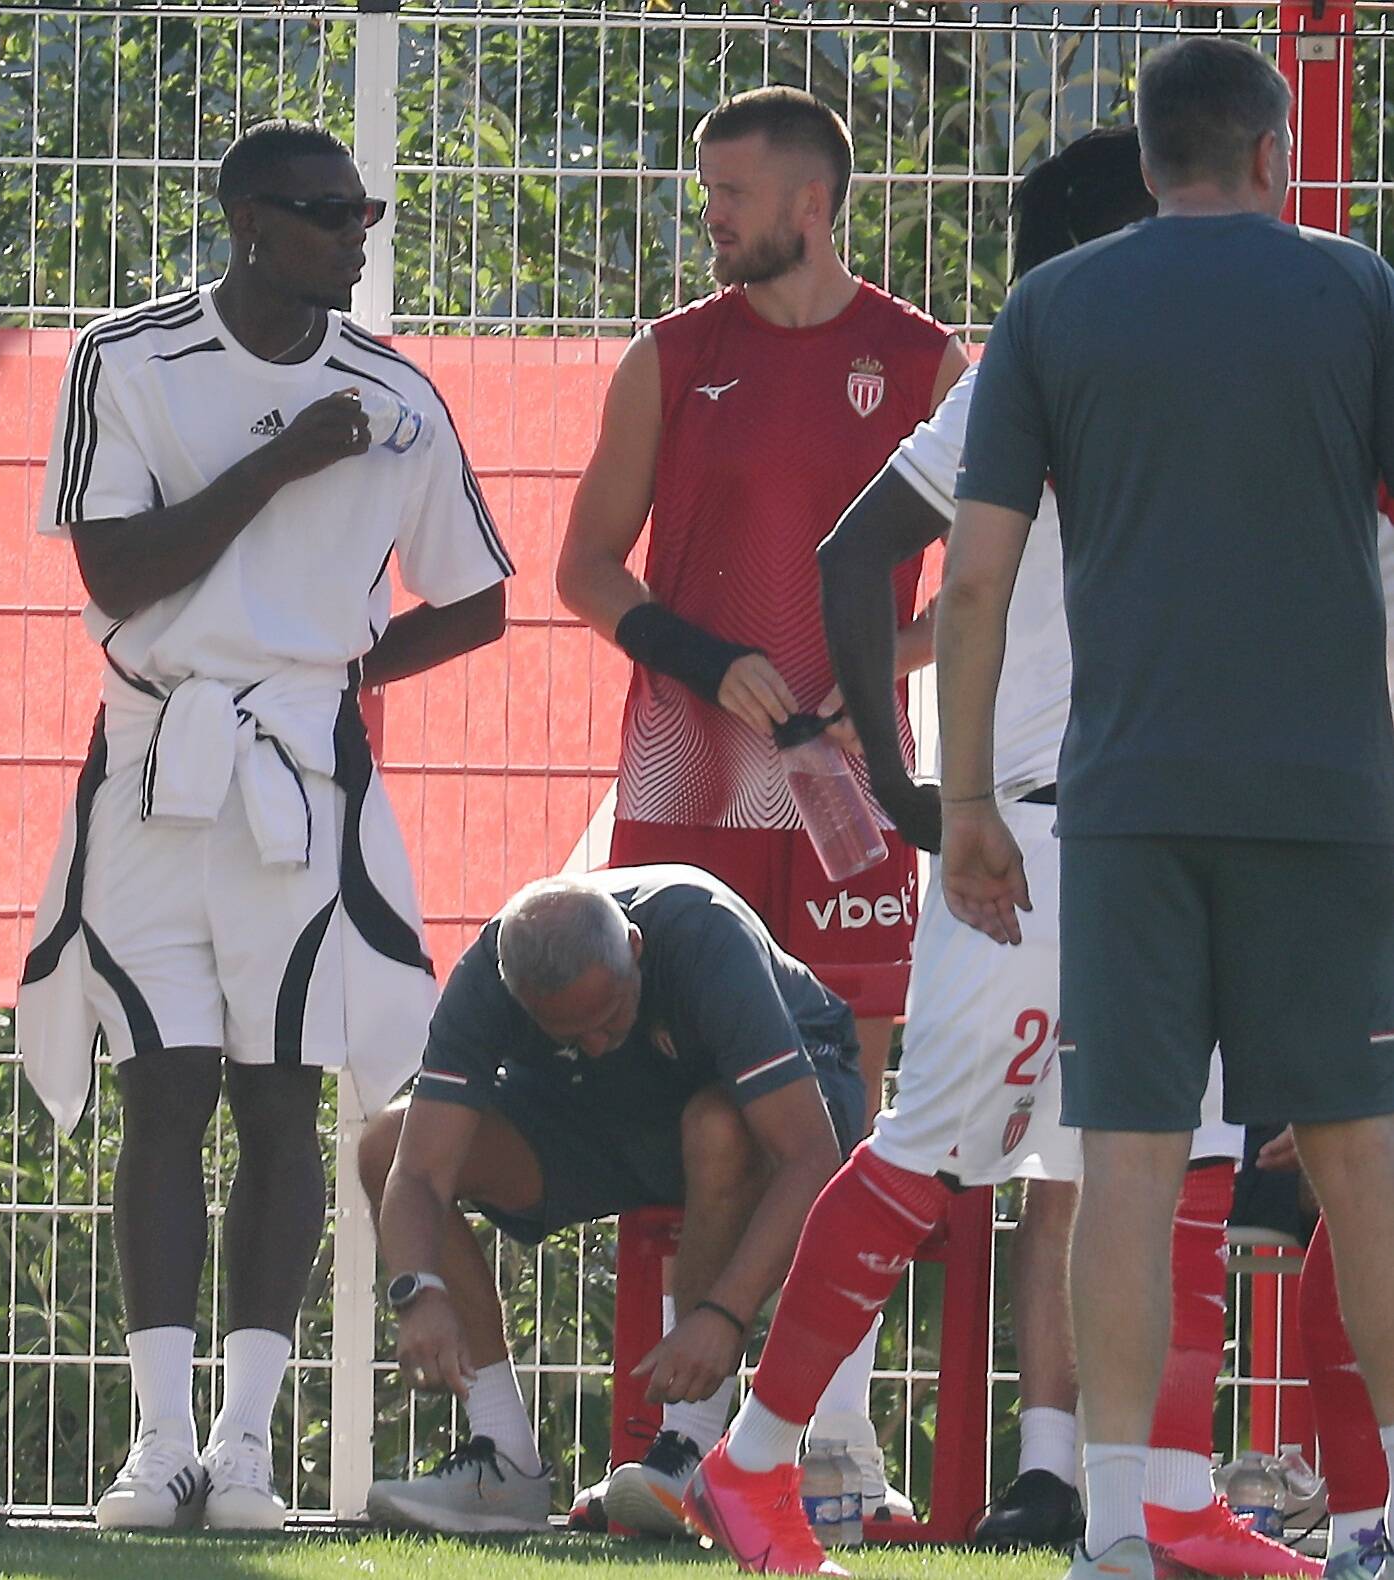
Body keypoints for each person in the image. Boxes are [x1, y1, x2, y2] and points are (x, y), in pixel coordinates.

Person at [701, 124, 1299, 1580]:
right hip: (1034, 830)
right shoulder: (1035, 372)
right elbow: (853, 555)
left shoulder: (1172, 375)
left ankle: (1167, 1498)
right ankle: (753, 1462)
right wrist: (915, 792)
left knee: (1194, 1164)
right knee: (932, 1150)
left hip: (1170, 828)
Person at [937, 38, 1394, 1580]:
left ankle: (1117, 1524)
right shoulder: (1355, 292)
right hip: (1329, 795)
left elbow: (976, 581)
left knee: (1124, 1159)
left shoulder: (1052, 307)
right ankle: (1389, 1517)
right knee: (1356, 1152)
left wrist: (966, 800)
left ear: (1143, 164)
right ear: (1275, 157)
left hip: (1121, 799)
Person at [17, 119, 511, 1532]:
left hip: (298, 766)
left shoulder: (396, 393)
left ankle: (245, 1448)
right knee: (159, 1089)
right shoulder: (126, 359)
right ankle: (153, 1441)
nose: (355, 236)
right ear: (246, 223)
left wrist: (348, 673)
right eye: (325, 214)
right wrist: (284, 462)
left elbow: (476, 596)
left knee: (279, 1091)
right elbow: (117, 570)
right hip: (154, 749)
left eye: (365, 212)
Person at [555, 82, 967, 1518]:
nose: (708, 220)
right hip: (686, 779)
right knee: (704, 1100)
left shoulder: (925, 364)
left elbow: (978, 583)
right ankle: (689, 1443)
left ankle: (831, 1444)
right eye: (705, 194)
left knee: (846, 1099)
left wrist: (876, 673)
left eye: (728, 195)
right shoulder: (671, 356)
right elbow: (586, 569)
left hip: (849, 790)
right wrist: (701, 654)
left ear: (810, 202)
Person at [358, 867, 863, 1533]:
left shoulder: (705, 935)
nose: (596, 1041)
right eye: (568, 1032)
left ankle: (690, 1448)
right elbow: (418, 1173)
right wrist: (417, 1292)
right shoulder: (490, 972)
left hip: (778, 1109)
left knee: (715, 1129)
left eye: (609, 1017)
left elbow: (809, 1154)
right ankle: (503, 1456)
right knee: (384, 1143)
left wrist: (722, 1316)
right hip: (614, 1116)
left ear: (636, 945)